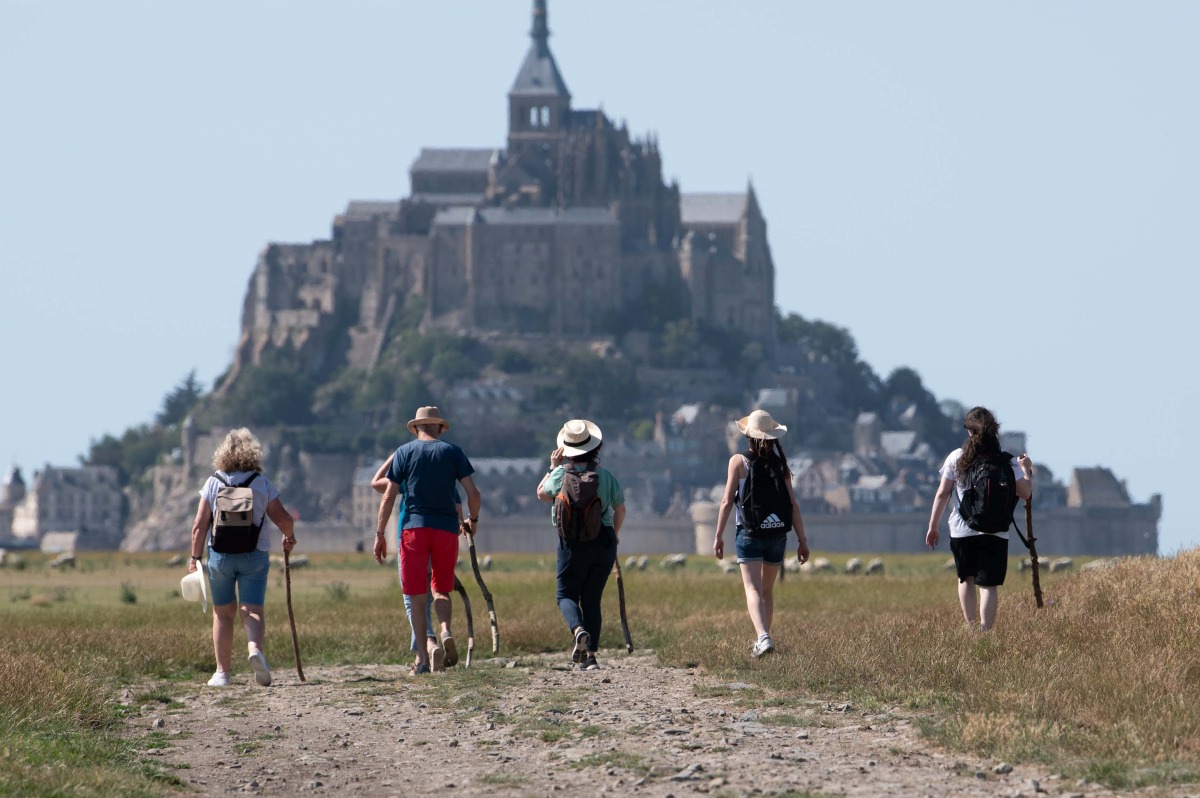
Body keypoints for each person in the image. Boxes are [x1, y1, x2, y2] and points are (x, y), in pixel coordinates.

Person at [374, 406, 480, 675]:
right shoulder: (453, 452)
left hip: (413, 530)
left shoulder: (404, 452)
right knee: (441, 589)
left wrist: (379, 534)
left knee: (416, 597)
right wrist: (472, 521)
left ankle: (422, 659)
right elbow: (473, 493)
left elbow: (387, 495)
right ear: (438, 428)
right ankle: (445, 630)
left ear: (417, 428)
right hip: (445, 529)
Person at [188, 428, 296, 687]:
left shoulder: (213, 482)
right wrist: (288, 537)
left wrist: (194, 558)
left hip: (220, 558)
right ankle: (254, 650)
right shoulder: (261, 483)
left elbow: (199, 525)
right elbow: (283, 519)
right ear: (253, 453)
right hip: (254, 556)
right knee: (253, 610)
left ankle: (222, 674)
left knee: (223, 614)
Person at [925, 406, 1033, 631]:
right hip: (996, 530)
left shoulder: (957, 457)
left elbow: (943, 493)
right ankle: (986, 631)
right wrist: (1026, 470)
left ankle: (971, 627)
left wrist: (933, 526)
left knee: (967, 578)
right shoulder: (1006, 461)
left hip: (962, 529)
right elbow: (1026, 493)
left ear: (969, 431)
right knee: (989, 585)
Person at [713, 409, 809, 658]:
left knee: (752, 589)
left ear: (749, 436)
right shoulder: (781, 465)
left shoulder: (738, 461)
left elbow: (726, 502)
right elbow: (793, 506)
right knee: (767, 591)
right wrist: (802, 541)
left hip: (748, 533)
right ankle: (764, 637)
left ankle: (763, 637)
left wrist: (718, 536)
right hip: (777, 534)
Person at [536, 419, 625, 671]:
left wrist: (552, 467)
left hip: (571, 543)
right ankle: (591, 657)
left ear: (565, 449)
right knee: (592, 599)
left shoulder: (561, 474)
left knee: (565, 594)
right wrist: (614, 534)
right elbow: (620, 507)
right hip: (604, 538)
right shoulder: (604, 475)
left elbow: (541, 494)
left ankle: (578, 630)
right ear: (594, 447)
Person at [370, 458, 463, 672]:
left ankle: (428, 649)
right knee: (439, 591)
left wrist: (393, 459)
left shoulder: (408, 480)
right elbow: (458, 515)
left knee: (414, 601)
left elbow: (376, 484)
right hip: (442, 538)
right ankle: (445, 631)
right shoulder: (448, 484)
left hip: (413, 539)